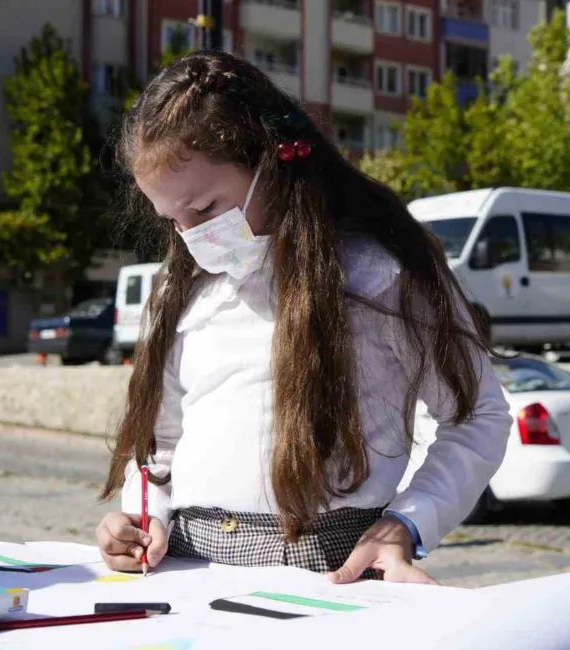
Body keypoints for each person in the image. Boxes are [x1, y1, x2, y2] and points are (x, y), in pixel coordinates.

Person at [96, 50, 511, 584]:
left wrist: (407, 523)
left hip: (328, 565)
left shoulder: (381, 274)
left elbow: (477, 416)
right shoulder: (181, 290)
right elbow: (159, 448)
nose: (192, 237)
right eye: (172, 220)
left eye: (203, 210)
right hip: (184, 564)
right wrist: (141, 517)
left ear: (272, 162)